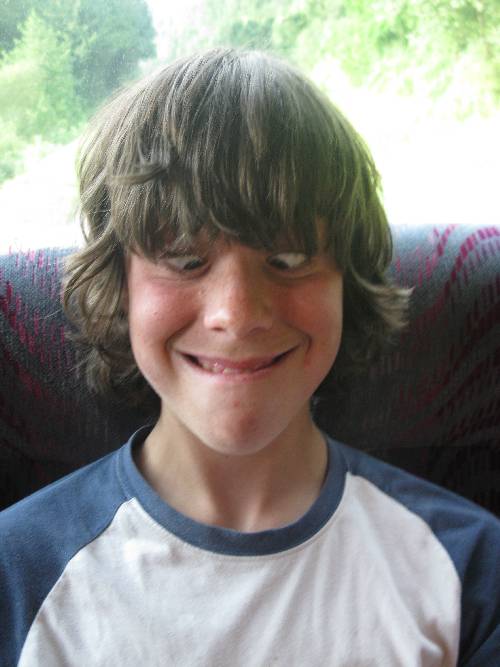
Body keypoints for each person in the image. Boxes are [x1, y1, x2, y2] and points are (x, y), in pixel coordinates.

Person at [1, 48, 498, 666]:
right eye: (185, 260)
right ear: (120, 287)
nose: (236, 314)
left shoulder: (470, 572)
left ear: (347, 285)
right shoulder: (18, 575)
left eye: (288, 260)